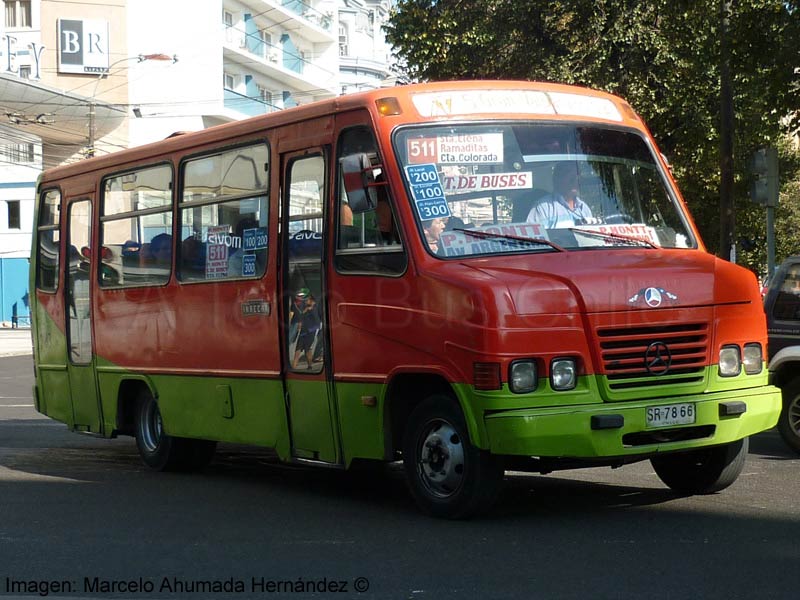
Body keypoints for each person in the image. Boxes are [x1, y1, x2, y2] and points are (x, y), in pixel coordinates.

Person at [526, 162, 593, 228]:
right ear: (557, 179)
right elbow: (531, 235)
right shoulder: (543, 207)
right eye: (570, 176)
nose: (574, 181)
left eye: (577, 177)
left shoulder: (584, 209)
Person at [291, 288, 322, 369]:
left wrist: (310, 331)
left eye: (306, 299)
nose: (305, 301)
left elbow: (317, 324)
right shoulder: (305, 307)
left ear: (310, 299)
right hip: (303, 331)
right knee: (298, 350)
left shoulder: (315, 308)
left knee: (307, 350)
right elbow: (301, 316)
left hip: (310, 333)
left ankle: (310, 366)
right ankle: (293, 367)